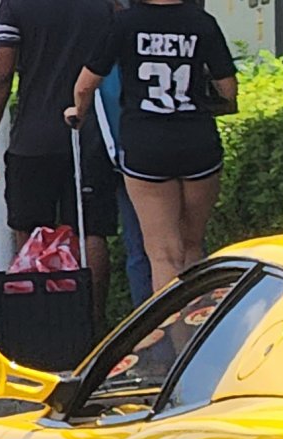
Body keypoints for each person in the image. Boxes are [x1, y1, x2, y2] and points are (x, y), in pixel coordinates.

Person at [70, 0, 238, 294]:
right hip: (197, 141)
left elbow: (85, 85)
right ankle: (198, 319)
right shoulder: (202, 22)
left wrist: (78, 112)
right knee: (192, 246)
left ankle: (171, 323)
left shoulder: (124, 23)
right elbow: (229, 89)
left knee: (162, 254)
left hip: (145, 144)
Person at [0, 0, 116, 328]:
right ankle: (92, 325)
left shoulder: (15, 5)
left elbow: (2, 75)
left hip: (33, 137)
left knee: (29, 230)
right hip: (89, 133)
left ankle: (37, 323)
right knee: (91, 231)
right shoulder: (103, 4)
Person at [92, 0, 154, 309]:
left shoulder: (108, 43)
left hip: (124, 158)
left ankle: (149, 323)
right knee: (184, 245)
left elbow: (89, 92)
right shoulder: (149, 37)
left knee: (141, 248)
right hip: (173, 152)